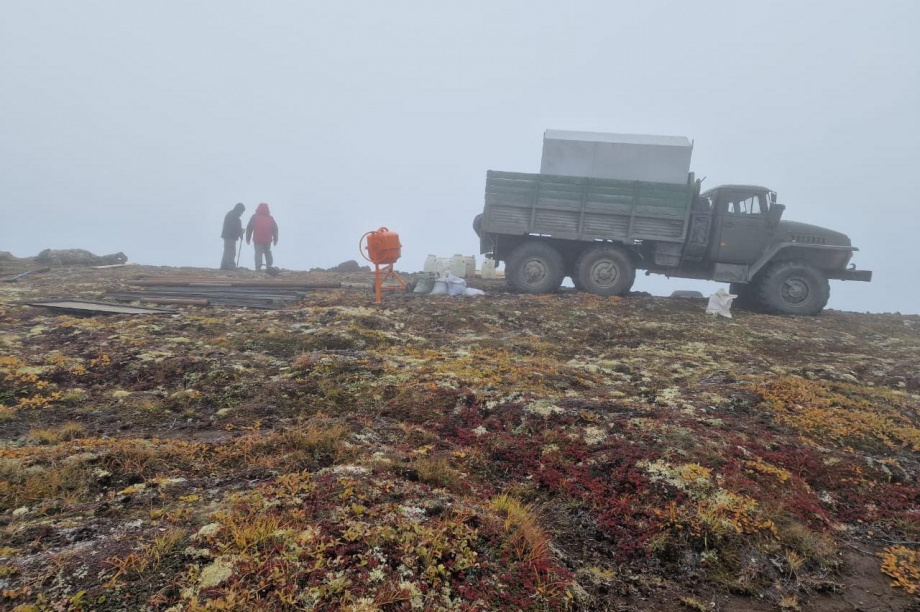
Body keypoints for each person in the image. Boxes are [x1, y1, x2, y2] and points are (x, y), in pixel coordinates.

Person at [246, 202, 279, 271]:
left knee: (258, 253)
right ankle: (269, 266)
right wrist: (275, 239)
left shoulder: (254, 217)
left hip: (257, 240)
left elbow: (249, 228)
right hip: (267, 240)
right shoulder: (270, 218)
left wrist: (248, 239)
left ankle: (258, 268)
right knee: (267, 252)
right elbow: (275, 229)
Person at [220, 203, 246, 270]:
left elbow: (234, 227)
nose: (241, 213)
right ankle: (230, 265)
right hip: (230, 236)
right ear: (238, 209)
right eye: (241, 211)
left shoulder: (232, 214)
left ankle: (224, 265)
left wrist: (239, 232)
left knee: (227, 250)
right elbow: (233, 227)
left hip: (229, 235)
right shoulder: (232, 215)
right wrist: (240, 231)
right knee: (231, 251)